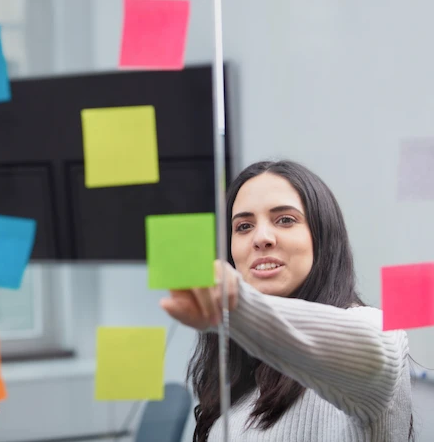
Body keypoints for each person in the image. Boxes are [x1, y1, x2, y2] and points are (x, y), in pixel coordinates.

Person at [161, 160, 414, 441]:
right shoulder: (241, 369)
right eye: (244, 226)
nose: (261, 238)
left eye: (285, 220)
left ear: (322, 236)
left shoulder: (375, 327)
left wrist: (237, 306)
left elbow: (376, 351)